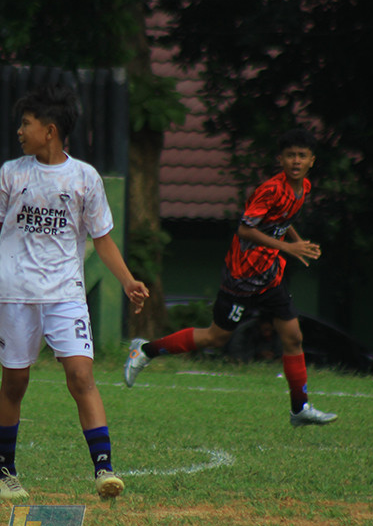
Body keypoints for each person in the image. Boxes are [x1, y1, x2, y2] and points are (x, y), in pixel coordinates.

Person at [0, 84, 149, 500]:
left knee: (82, 376)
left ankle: (104, 470)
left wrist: (128, 280)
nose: (20, 130)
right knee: (15, 384)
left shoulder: (84, 178)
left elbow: (103, 239)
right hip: (15, 294)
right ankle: (5, 474)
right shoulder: (12, 173)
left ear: (50, 130)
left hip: (65, 294)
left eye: (27, 123)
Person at [123, 128, 338, 428]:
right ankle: (145, 350)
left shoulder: (304, 188)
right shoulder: (270, 190)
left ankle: (299, 408)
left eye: (302, 156)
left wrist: (298, 244)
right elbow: (245, 230)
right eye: (290, 155)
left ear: (312, 160)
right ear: (281, 159)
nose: (296, 161)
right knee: (215, 337)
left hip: (270, 276)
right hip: (242, 276)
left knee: (294, 337)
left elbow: (281, 221)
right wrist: (289, 247)